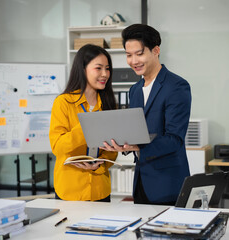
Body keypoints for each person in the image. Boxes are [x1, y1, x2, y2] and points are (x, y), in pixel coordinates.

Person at [101, 24, 192, 205]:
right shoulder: (134, 90)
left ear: (155, 50)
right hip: (141, 182)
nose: (134, 61)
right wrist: (122, 143)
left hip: (167, 183)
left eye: (139, 53)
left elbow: (174, 139)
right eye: (128, 55)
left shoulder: (176, 86)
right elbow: (136, 132)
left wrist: (137, 146)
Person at [49, 44, 118, 201]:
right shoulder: (63, 102)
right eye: (98, 68)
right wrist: (87, 126)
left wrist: (101, 164)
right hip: (70, 190)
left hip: (100, 189)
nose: (105, 74)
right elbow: (58, 147)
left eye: (107, 69)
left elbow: (112, 150)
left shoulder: (108, 104)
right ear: (83, 69)